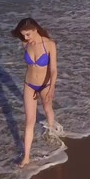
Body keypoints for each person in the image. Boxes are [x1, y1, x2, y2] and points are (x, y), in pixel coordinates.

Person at [11, 18, 58, 167]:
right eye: (23, 35)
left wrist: (51, 88)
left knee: (47, 108)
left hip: (45, 85)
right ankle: (26, 157)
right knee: (29, 121)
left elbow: (53, 70)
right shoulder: (25, 44)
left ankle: (51, 133)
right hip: (29, 85)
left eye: (28, 34)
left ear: (35, 29)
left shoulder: (49, 44)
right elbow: (30, 67)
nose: (25, 38)